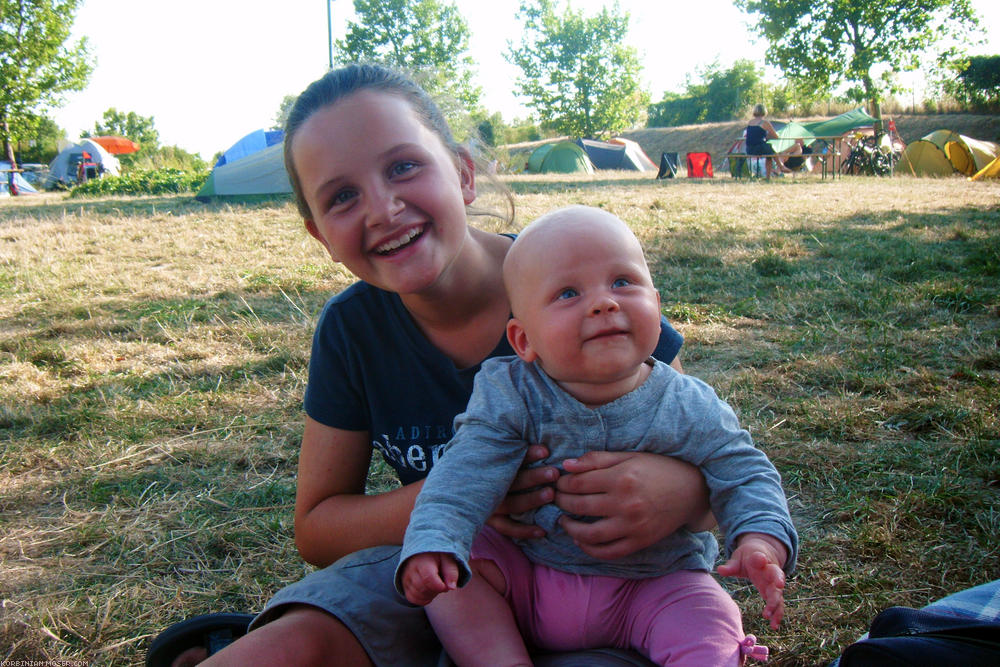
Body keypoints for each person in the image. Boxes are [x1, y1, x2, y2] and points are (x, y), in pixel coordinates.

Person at [153, 63, 716, 667]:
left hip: (611, 585)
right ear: (320, 235)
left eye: (402, 166)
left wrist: (684, 495)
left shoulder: (578, 292)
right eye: (343, 196)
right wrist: (464, 498)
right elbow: (317, 529)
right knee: (289, 647)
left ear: (464, 173)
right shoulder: (352, 331)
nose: (383, 208)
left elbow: (712, 454)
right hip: (445, 574)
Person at [397, 206, 798, 666]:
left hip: (655, 587)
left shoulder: (689, 403)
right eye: (568, 293)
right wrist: (433, 542)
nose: (604, 302)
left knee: (711, 619)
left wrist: (761, 539)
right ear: (523, 339)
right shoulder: (509, 393)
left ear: (657, 305)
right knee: (456, 577)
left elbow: (746, 471)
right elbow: (458, 477)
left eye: (623, 282)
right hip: (529, 579)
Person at [744, 104, 796, 178]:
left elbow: (755, 135)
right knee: (771, 152)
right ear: (764, 111)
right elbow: (775, 136)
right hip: (758, 148)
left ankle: (779, 167)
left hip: (749, 149)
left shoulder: (750, 122)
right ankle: (780, 167)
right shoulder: (764, 122)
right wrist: (768, 137)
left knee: (769, 150)